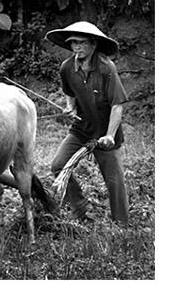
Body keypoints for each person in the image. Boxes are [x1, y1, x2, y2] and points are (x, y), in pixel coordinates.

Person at [45, 21, 129, 225]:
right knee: (58, 165)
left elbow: (117, 105)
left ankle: (122, 225)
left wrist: (109, 135)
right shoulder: (67, 68)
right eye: (73, 43)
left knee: (114, 181)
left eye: (82, 43)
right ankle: (79, 209)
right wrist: (70, 108)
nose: (77, 48)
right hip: (81, 129)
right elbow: (69, 94)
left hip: (104, 132)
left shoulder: (106, 68)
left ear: (93, 45)